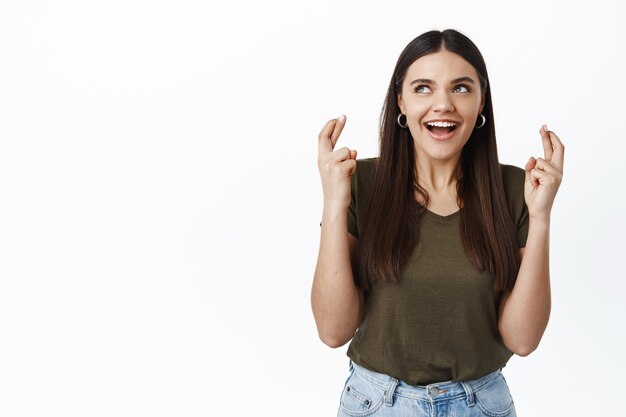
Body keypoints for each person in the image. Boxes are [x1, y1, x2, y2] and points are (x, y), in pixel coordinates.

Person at [311, 29, 564, 417]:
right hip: (377, 404)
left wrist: (542, 217)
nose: (442, 104)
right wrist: (334, 204)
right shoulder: (358, 182)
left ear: (482, 102)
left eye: (461, 88)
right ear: (401, 100)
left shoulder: (517, 189)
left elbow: (523, 339)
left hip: (481, 404)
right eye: (423, 88)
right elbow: (333, 331)